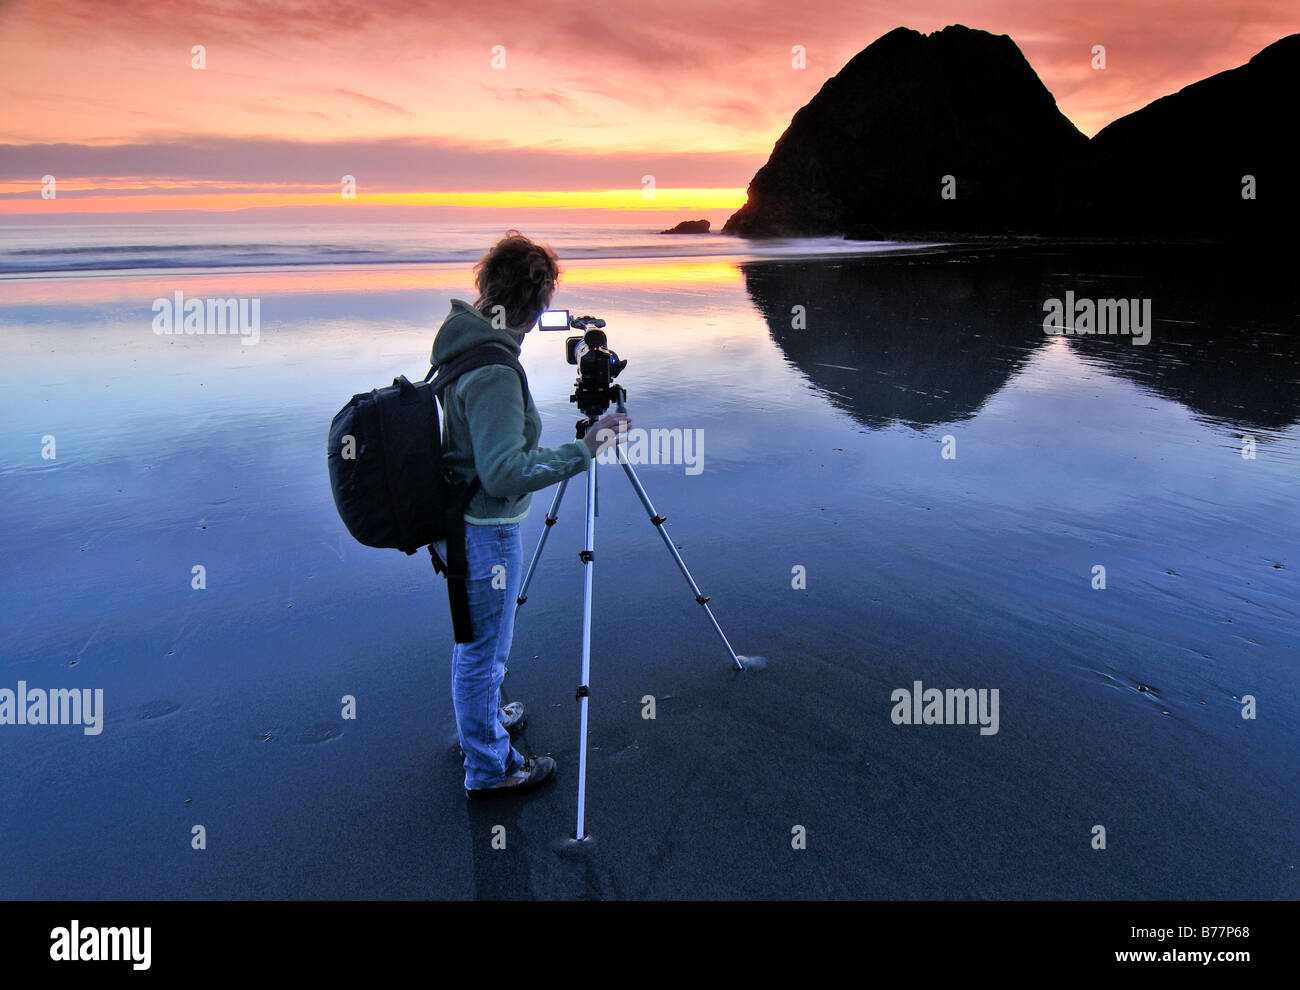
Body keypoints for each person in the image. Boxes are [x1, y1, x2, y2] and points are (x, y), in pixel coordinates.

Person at [431, 230, 629, 799]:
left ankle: (481, 724)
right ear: (537, 297)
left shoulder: (465, 340)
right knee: (484, 647)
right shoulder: (493, 370)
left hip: (461, 520)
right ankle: (490, 767)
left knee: (482, 641)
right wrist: (586, 449)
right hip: (483, 530)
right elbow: (504, 473)